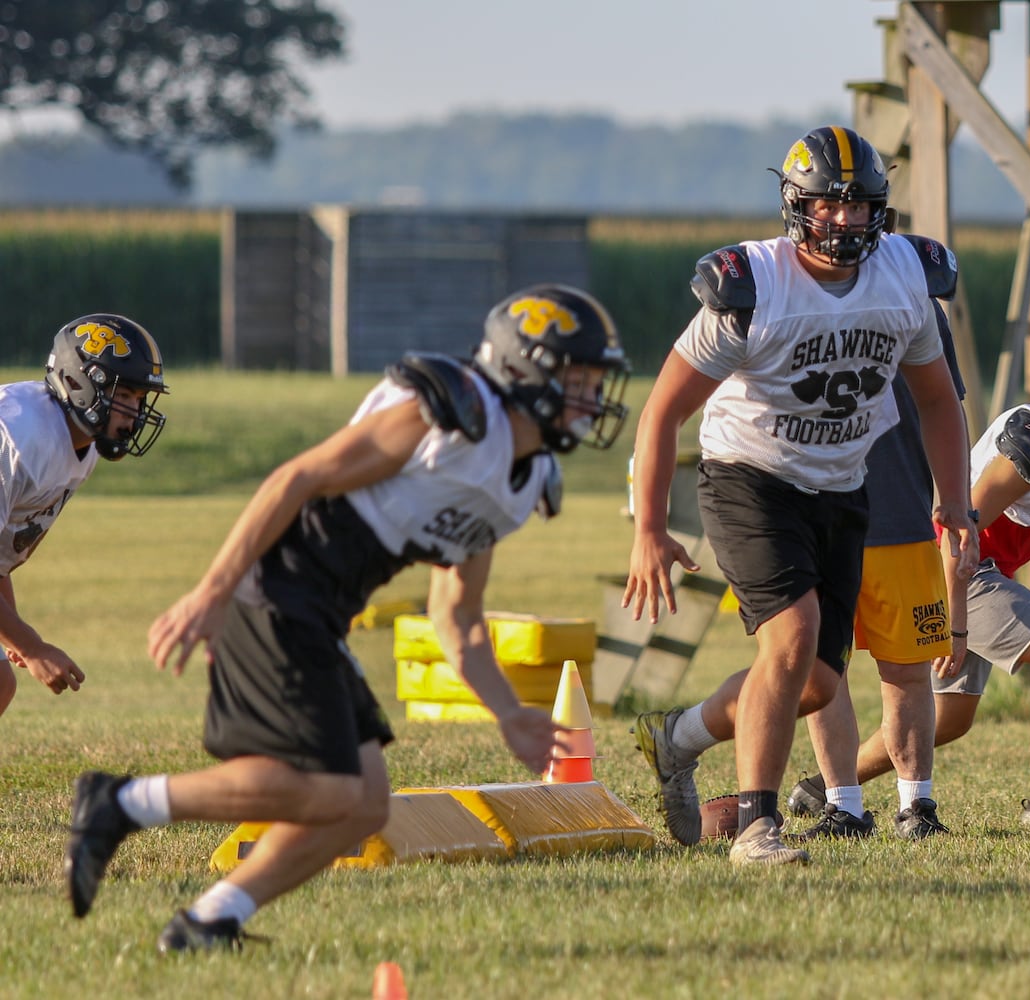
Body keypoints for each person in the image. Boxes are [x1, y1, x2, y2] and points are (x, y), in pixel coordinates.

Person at [64, 284, 632, 952]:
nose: (591, 400)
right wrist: (211, 593)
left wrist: (508, 714)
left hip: (323, 610)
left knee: (361, 807)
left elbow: (460, 617)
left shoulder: (524, 478)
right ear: (524, 369)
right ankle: (120, 804)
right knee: (326, 790)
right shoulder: (446, 415)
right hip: (279, 585)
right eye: (580, 380)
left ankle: (210, 920)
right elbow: (295, 478)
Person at [625, 124, 978, 866]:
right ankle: (757, 826)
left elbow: (941, 403)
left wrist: (955, 505)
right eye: (828, 205)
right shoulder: (754, 286)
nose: (845, 221)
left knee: (813, 683)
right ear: (796, 204)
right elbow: (663, 410)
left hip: (840, 484)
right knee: (789, 643)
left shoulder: (906, 277)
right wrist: (649, 530)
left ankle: (678, 737)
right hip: (749, 476)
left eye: (861, 206)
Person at [814, 329, 1030, 825]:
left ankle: (812, 787)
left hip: (984, 571)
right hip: (953, 565)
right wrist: (954, 623)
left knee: (950, 720)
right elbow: (958, 529)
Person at [783, 299, 968, 842]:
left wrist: (956, 501)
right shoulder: (791, 290)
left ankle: (918, 805)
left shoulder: (916, 303)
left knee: (909, 671)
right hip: (818, 515)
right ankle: (843, 804)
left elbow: (944, 407)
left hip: (901, 514)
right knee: (823, 670)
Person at [2, 314, 171, 719]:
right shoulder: (15, 434)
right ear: (81, 382)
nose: (134, 412)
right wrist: (31, 645)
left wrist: (14, 630)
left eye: (140, 399)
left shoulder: (83, 449)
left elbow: (1, 557)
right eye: (125, 395)